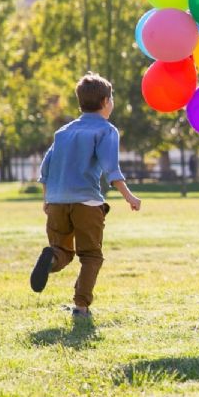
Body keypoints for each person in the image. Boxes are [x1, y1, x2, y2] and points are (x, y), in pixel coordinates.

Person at [29, 73, 142, 319]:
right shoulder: (106, 130)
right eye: (111, 98)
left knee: (62, 250)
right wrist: (130, 197)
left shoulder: (63, 132)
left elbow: (45, 170)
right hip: (87, 202)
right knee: (90, 255)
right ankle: (81, 307)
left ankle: (51, 260)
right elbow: (112, 169)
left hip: (57, 202)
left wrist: (47, 200)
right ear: (105, 101)